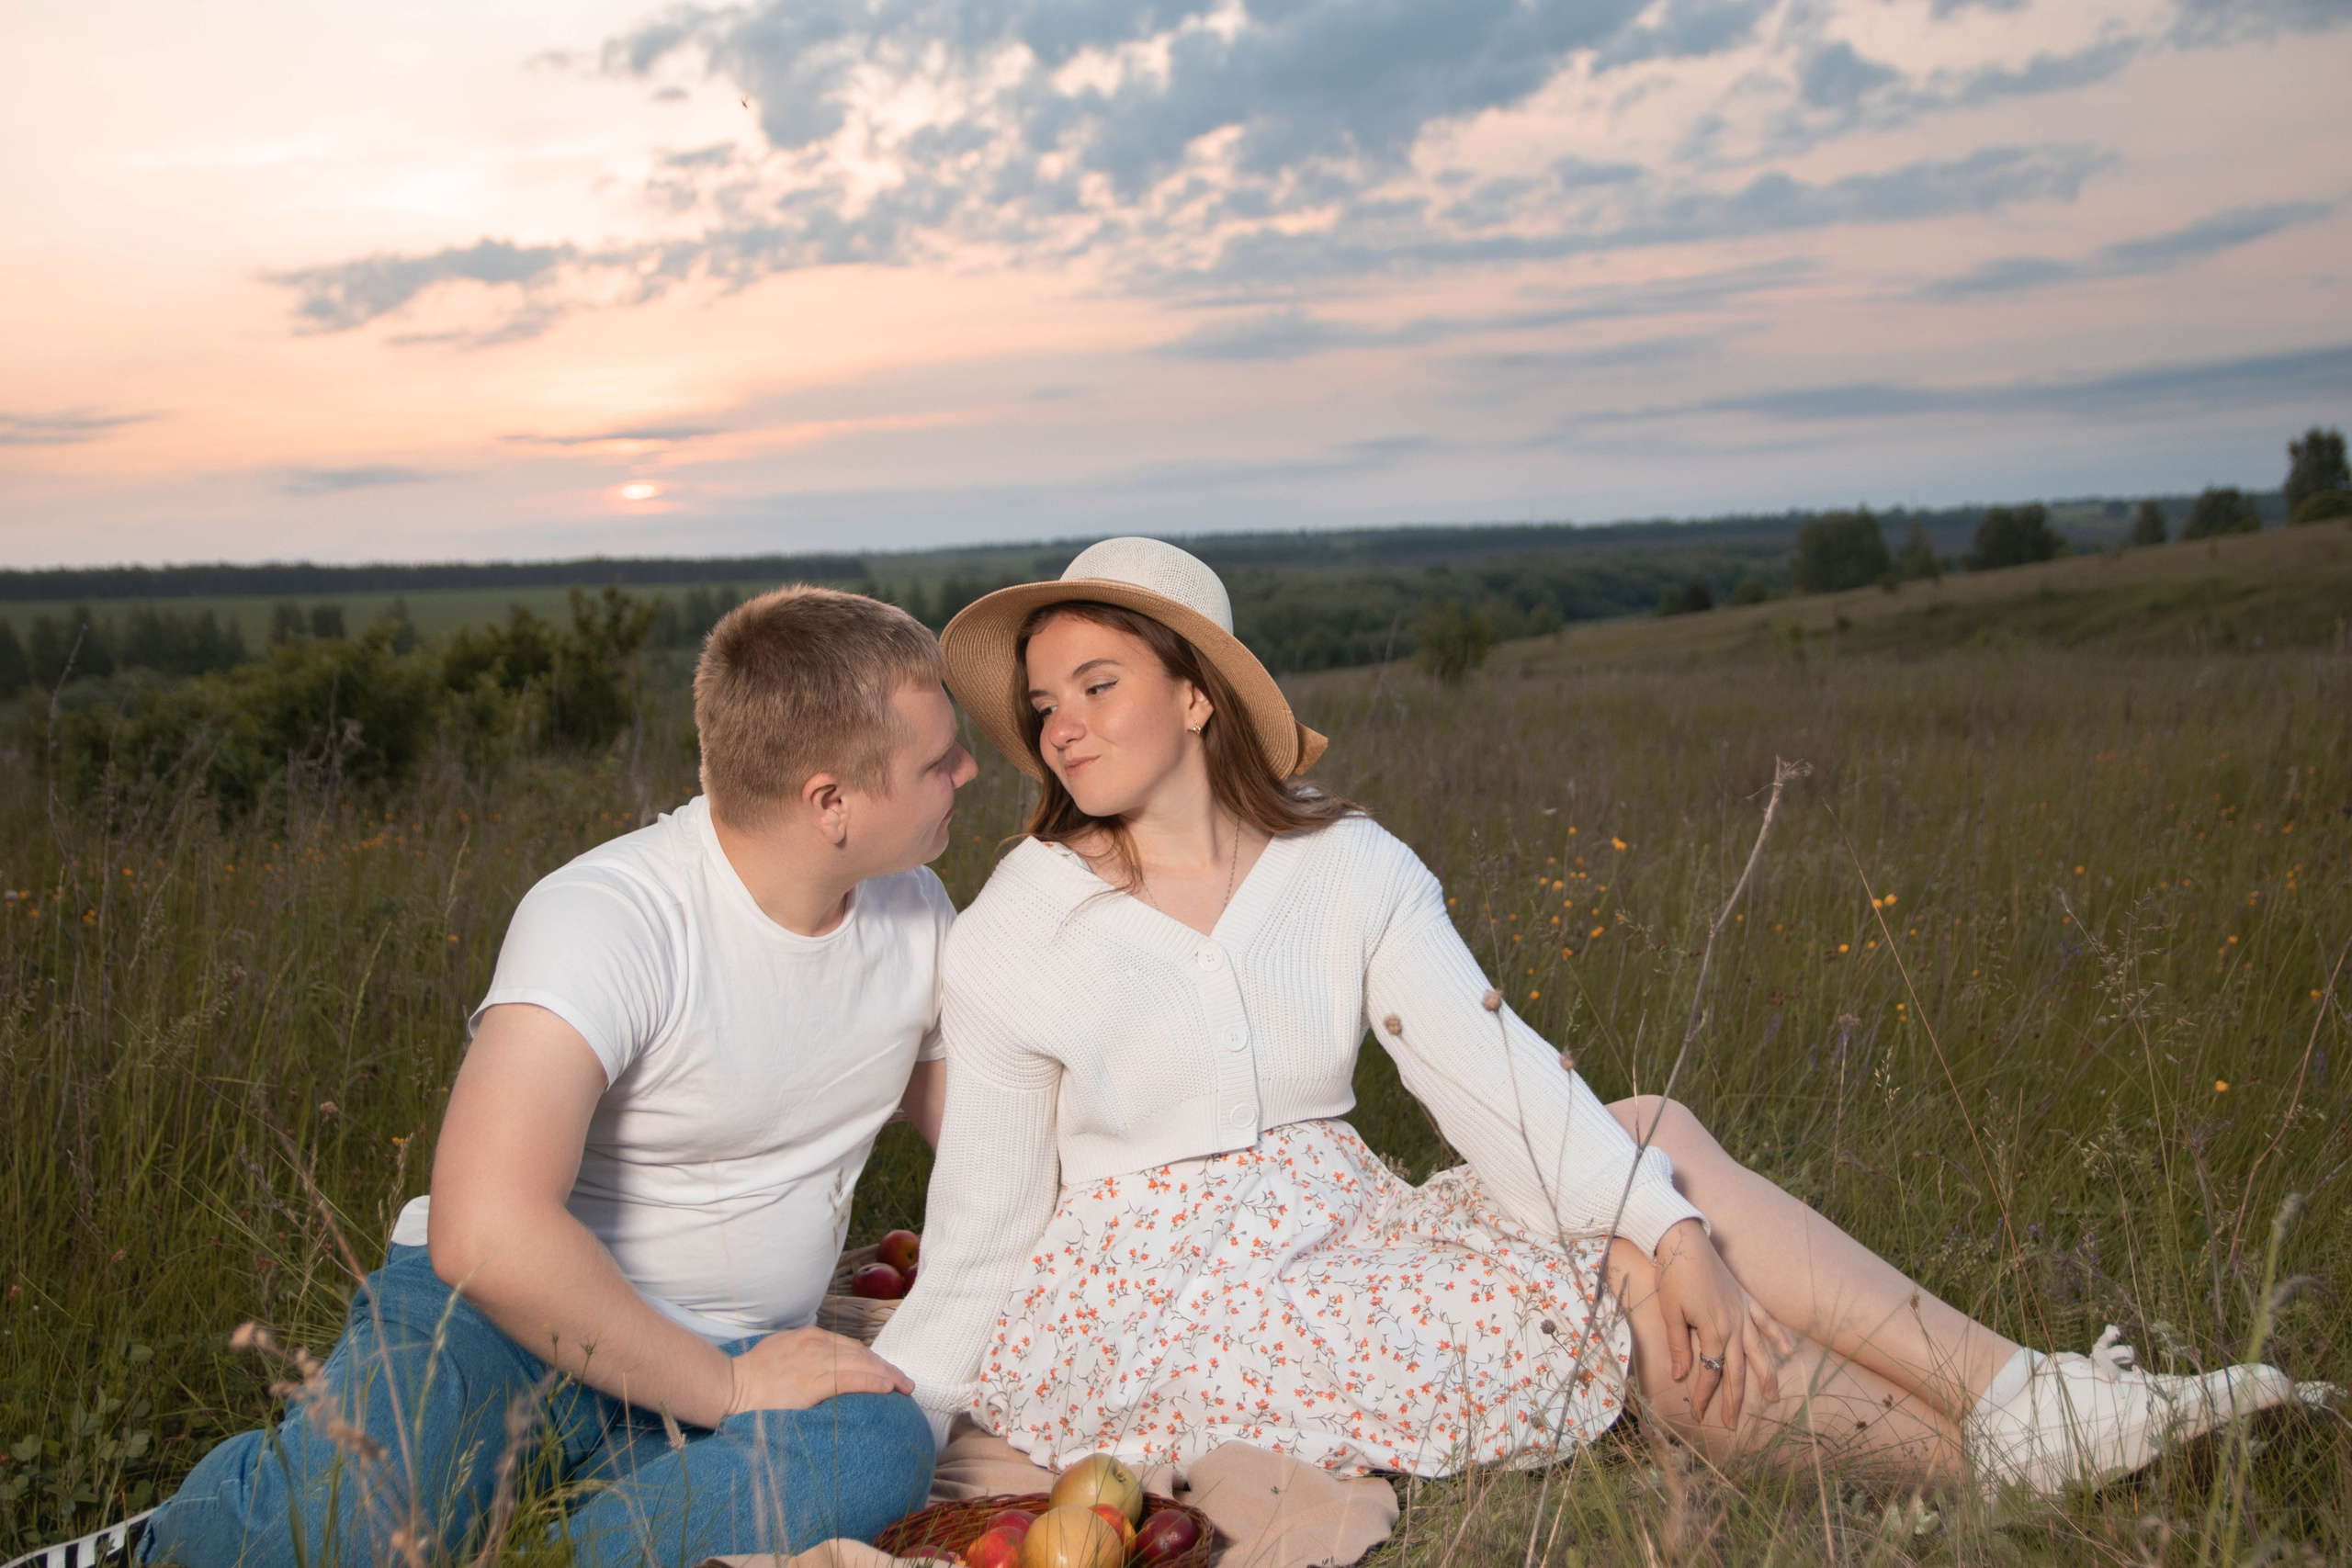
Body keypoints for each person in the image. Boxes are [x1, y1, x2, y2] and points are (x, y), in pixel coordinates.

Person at [871, 536, 2315, 1499]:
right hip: (1166, 1299)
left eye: (1097, 685)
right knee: (1622, 1297)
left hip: (1343, 1221)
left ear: (1196, 696)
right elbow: (988, 1216)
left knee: (1649, 1148)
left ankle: (2024, 1413)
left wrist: (1672, 1226)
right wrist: (891, 1419)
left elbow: (1490, 1076)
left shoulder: (1346, 866)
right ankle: (2008, 1449)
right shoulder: (1020, 923)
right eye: (1043, 702)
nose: (1058, 724)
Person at [62, 588, 975, 1568]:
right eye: (938, 761)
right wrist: (726, 1391)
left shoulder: (915, 914)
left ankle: (533, 1542)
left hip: (741, 1361)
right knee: (332, 1525)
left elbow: (984, 1139)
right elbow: (485, 1231)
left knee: (879, 1449)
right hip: (499, 1333)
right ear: (830, 802)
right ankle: (171, 1541)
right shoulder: (609, 914)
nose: (968, 770)